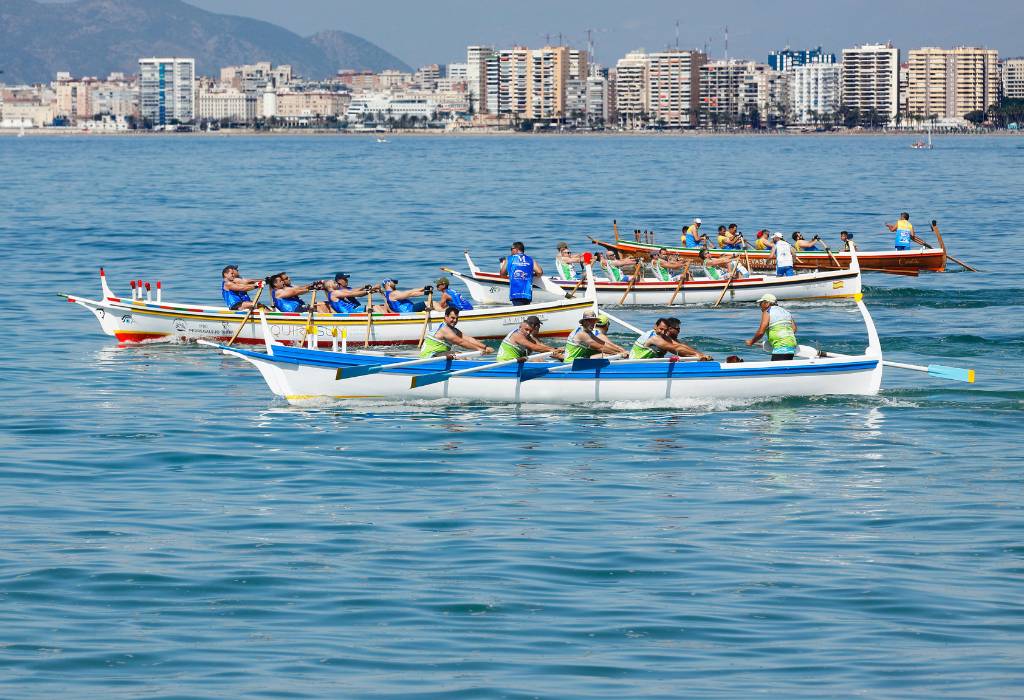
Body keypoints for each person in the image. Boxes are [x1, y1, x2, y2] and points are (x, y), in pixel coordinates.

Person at [419, 306, 493, 358]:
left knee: (463, 356)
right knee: (460, 356)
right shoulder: (444, 329)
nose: (455, 321)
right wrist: (479, 349)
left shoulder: (452, 329)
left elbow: (468, 339)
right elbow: (460, 342)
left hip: (439, 354)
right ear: (446, 317)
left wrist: (485, 347)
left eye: (456, 318)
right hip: (429, 356)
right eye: (452, 318)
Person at [629, 317, 712, 361]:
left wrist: (700, 354)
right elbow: (675, 349)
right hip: (635, 364)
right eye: (661, 329)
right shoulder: (654, 338)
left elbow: (679, 345)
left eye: (665, 330)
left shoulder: (663, 336)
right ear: (655, 327)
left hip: (648, 363)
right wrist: (696, 355)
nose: (662, 332)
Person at [745, 293, 798, 361]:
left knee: (777, 370)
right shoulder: (786, 312)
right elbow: (794, 329)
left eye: (761, 303)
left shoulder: (767, 311)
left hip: (781, 347)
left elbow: (761, 332)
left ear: (767, 303)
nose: (760, 306)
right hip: (791, 345)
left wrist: (751, 342)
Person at [562, 311, 628, 363]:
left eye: (594, 321)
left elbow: (603, 343)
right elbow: (600, 347)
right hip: (571, 363)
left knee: (609, 354)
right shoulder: (582, 334)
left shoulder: (588, 331)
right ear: (584, 322)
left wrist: (620, 350)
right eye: (590, 321)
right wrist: (618, 353)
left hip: (579, 360)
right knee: (608, 355)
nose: (593, 324)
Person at [496, 315, 565, 361]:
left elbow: (541, 347)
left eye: (530, 330)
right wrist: (551, 350)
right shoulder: (517, 335)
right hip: (505, 363)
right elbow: (534, 347)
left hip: (517, 362)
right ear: (520, 327)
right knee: (537, 360)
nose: (528, 332)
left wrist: (556, 350)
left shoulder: (529, 337)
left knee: (539, 359)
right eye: (526, 329)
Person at [499, 241, 543, 306]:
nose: (511, 251)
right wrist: (532, 275)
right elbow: (539, 272)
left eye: (511, 249)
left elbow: (502, 274)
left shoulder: (509, 259)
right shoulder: (530, 259)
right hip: (527, 293)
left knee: (519, 311)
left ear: (516, 249)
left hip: (515, 292)